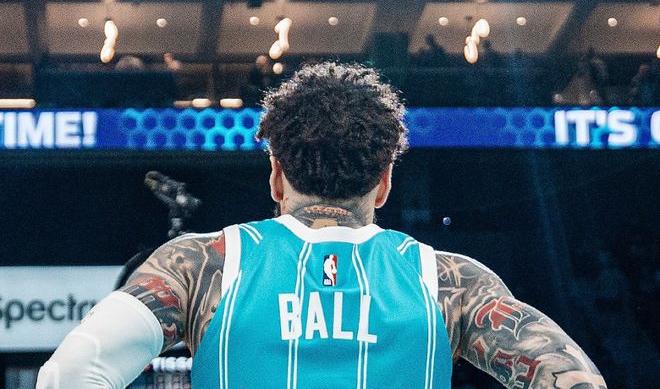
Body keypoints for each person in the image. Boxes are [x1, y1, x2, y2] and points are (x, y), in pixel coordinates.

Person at [37, 62, 607, 389]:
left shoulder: (201, 265)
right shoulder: (449, 282)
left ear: (275, 174)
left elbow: (68, 374)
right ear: (384, 181)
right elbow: (576, 381)